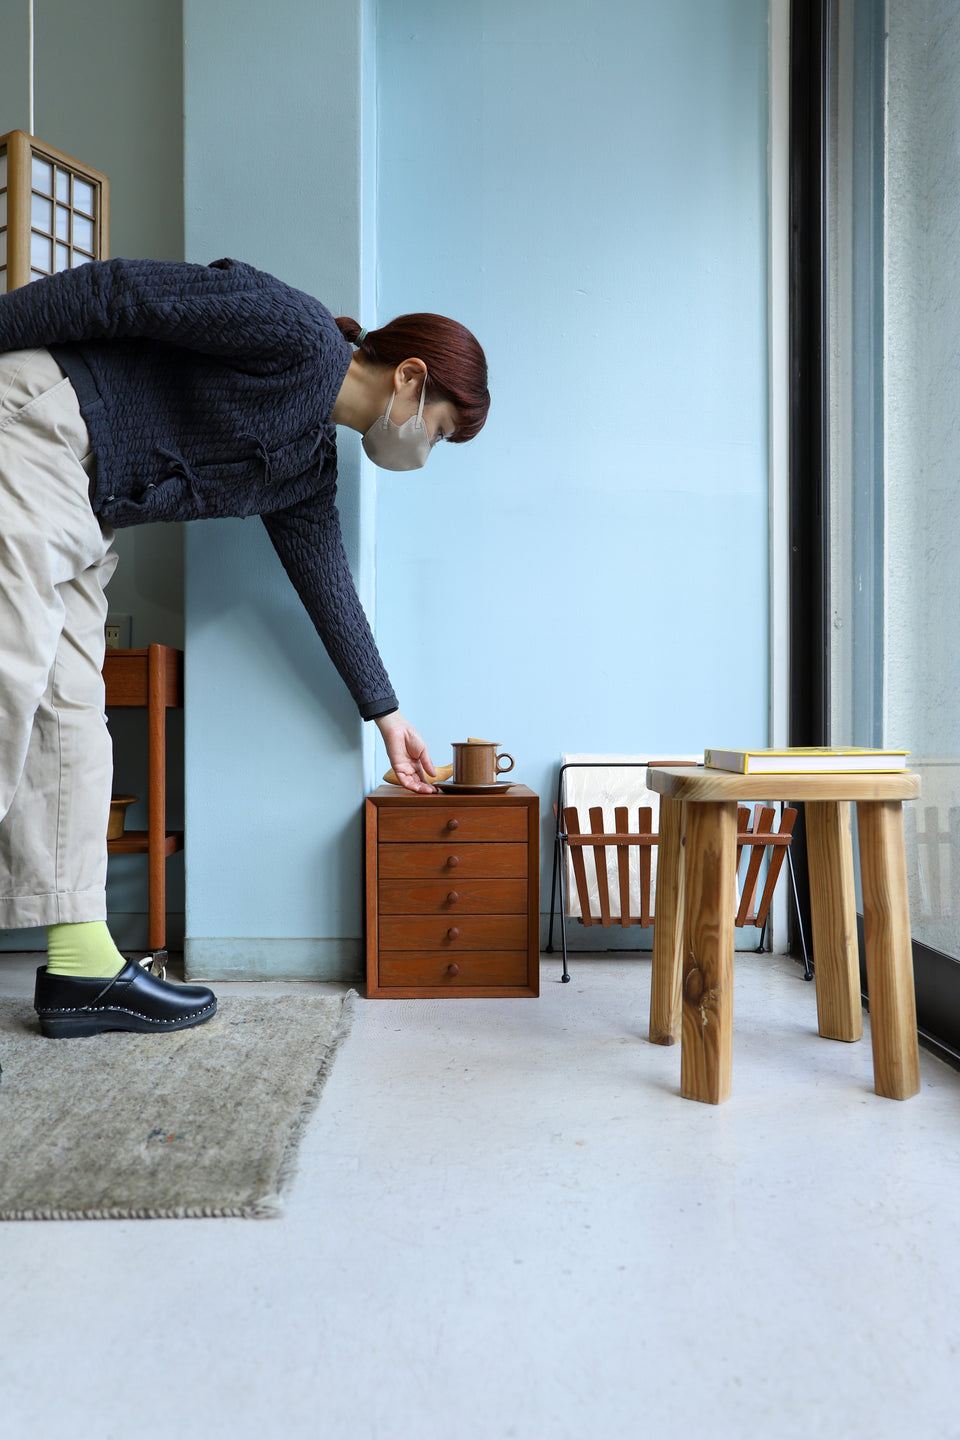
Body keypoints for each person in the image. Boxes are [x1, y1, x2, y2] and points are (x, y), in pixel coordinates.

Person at [0, 255, 490, 1038]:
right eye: (436, 432)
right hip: (37, 427)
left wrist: (386, 717)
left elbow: (328, 589)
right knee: (7, 681)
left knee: (71, 724)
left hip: (87, 500)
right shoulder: (293, 331)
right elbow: (116, 291)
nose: (422, 454)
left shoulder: (303, 468)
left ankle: (81, 968)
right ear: (409, 377)